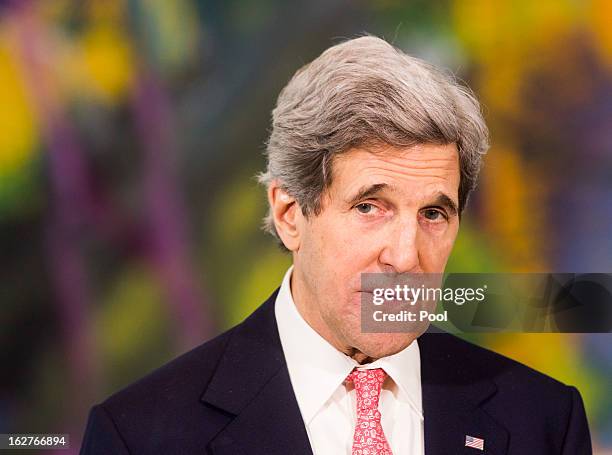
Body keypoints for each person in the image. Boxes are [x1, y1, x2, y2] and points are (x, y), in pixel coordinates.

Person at [80, 35, 592, 455]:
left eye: (434, 214)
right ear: (289, 216)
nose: (407, 257)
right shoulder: (141, 436)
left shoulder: (544, 422)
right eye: (370, 207)